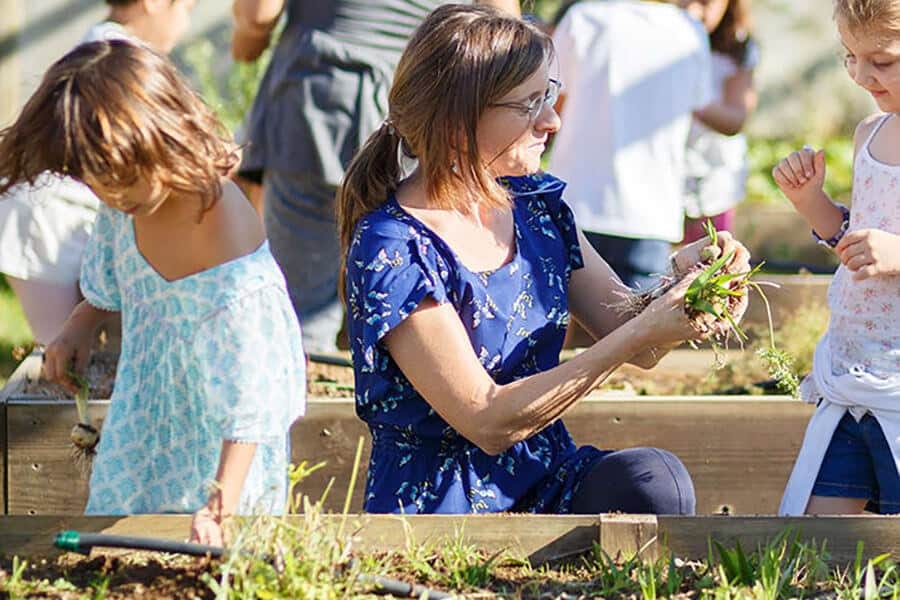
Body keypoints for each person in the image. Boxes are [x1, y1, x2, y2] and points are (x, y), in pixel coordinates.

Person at [338, 4, 750, 515]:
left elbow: (634, 332)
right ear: (457, 121)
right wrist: (640, 335)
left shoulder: (538, 208)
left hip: (547, 479)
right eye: (529, 104)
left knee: (656, 479)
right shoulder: (393, 246)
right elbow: (487, 422)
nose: (553, 120)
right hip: (442, 509)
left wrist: (683, 284)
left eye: (550, 95)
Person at [0, 40, 307, 543]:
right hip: (143, 429)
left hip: (220, 455)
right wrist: (82, 323)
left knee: (201, 567)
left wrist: (223, 502)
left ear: (161, 137)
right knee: (123, 556)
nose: (107, 196)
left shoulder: (221, 236)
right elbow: (114, 281)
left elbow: (253, 390)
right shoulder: (129, 201)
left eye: (115, 180)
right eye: (94, 182)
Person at [230, 0, 520, 353]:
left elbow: (258, 14)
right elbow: (505, 37)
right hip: (422, 117)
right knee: (403, 309)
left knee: (299, 322)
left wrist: (247, 39)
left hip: (318, 103)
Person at [0, 0, 195, 345]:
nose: (184, 25)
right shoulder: (115, 57)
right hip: (45, 221)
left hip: (72, 215)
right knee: (65, 348)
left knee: (99, 339)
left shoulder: (110, 44)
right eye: (185, 10)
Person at [773, 0, 900, 516]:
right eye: (850, 57)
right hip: (851, 373)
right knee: (820, 543)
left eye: (883, 60)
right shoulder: (869, 134)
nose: (862, 75)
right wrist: (812, 204)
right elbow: (854, 242)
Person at [548, 0, 713, 290]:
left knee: (552, 329)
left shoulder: (583, 17)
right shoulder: (690, 31)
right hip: (651, 214)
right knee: (637, 328)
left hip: (575, 202)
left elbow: (550, 103)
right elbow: (698, 106)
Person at [680, 0, 759, 243]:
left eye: (706, 3)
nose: (694, 10)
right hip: (668, 172)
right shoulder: (663, 41)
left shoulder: (737, 48)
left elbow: (735, 119)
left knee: (710, 255)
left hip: (713, 176)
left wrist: (688, 101)